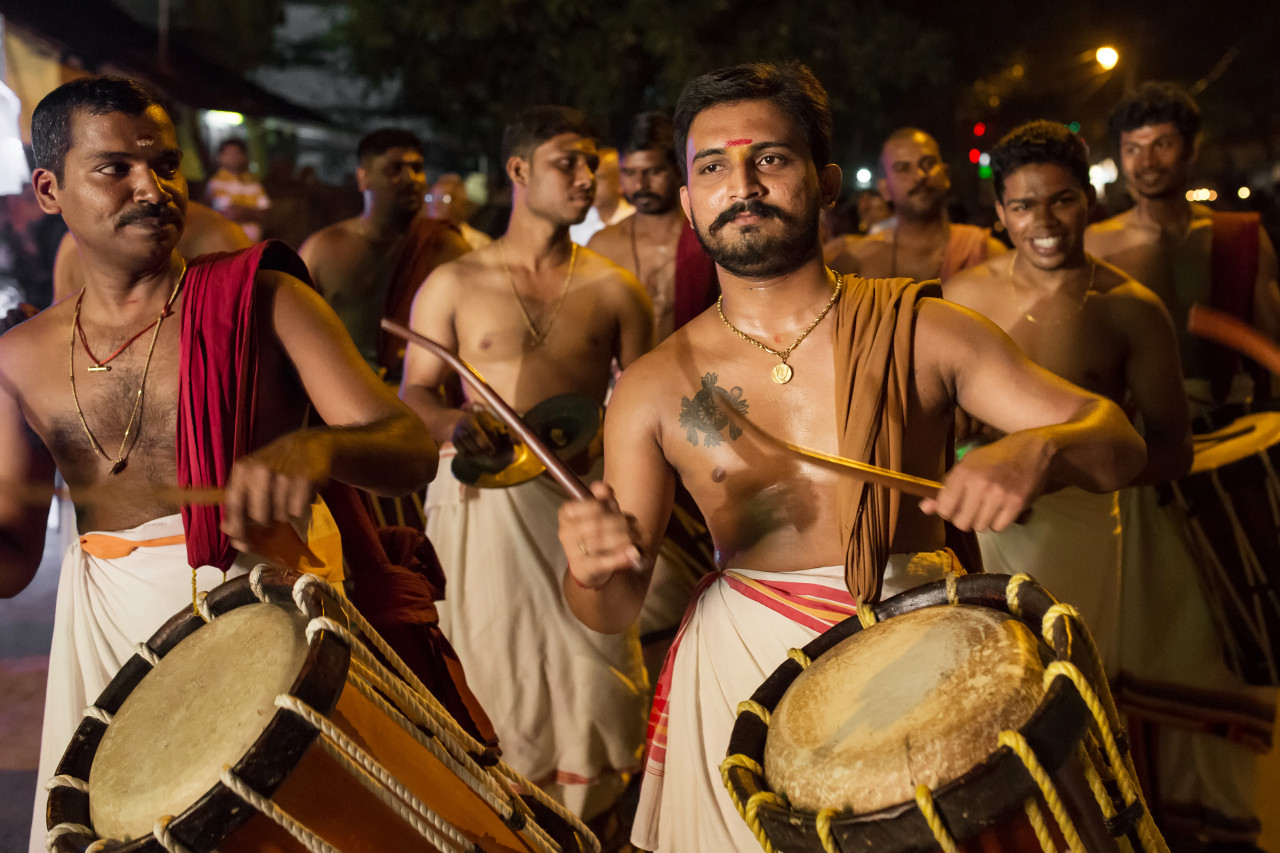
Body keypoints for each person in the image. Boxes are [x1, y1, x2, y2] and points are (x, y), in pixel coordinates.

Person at [555, 61, 1146, 852]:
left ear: (826, 180)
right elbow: (613, 609)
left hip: (921, 666)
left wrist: (1041, 448)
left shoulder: (924, 329)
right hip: (742, 683)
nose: (744, 185)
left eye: (770, 158)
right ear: (690, 198)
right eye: (713, 168)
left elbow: (1118, 443)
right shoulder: (656, 388)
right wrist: (592, 570)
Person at [1, 76, 449, 853]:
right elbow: (11, 558)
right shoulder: (19, 357)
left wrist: (321, 444)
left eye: (166, 165)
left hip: (262, 627)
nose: (153, 187)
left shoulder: (264, 299)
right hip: (110, 642)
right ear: (49, 188)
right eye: (116, 169)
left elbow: (408, 449)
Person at [400, 106, 655, 824]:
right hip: (485, 510)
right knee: (494, 669)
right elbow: (415, 392)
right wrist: (453, 420)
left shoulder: (614, 289)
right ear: (518, 171)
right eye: (567, 161)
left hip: (579, 507)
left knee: (595, 680)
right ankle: (507, 825)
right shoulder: (454, 283)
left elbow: (644, 403)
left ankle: (591, 824)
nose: (586, 176)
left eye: (591, 162)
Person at [1086, 82, 1280, 851]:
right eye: (1132, 148)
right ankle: (1157, 812)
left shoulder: (1238, 236)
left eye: (1161, 144)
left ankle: (1235, 813)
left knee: (1230, 633)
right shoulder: (1095, 245)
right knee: (1148, 633)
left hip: (1232, 449)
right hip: (1140, 460)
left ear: (1189, 149)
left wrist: (1238, 339)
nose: (1145, 161)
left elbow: (1272, 341)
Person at [943, 120, 1192, 676]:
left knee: (1075, 680)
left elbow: (1175, 450)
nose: (1045, 222)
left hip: (1085, 524)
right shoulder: (963, 297)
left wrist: (1058, 469)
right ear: (1002, 214)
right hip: (982, 523)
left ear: (1091, 201)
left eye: (1062, 200)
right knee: (988, 684)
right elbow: (941, 419)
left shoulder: (1132, 309)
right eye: (1025, 206)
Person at [299, 129, 470, 380]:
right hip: (341, 396)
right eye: (395, 169)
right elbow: (297, 334)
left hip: (417, 399)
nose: (411, 179)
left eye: (417, 168)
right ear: (363, 178)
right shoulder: (324, 249)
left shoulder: (446, 247)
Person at [588, 111, 717, 340]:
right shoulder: (602, 246)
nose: (640, 184)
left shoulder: (709, 240)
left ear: (678, 169)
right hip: (627, 374)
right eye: (629, 173)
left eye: (654, 171)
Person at [826, 128, 1006, 282]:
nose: (920, 176)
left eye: (928, 164)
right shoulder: (857, 260)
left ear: (946, 175)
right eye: (903, 168)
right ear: (884, 188)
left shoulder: (985, 252)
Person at [52, 199, 251, 303]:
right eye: (117, 169)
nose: (151, 191)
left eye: (167, 165)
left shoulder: (217, 234)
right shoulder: (72, 248)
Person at [204, 137, 270, 242]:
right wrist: (251, 212)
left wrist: (241, 211)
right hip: (222, 240)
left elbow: (264, 213)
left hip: (250, 243)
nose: (232, 157)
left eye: (236, 153)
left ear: (244, 156)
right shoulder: (214, 184)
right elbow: (219, 213)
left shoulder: (254, 184)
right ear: (220, 157)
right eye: (228, 154)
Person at [569, 146, 634, 245]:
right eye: (589, 176)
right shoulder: (576, 223)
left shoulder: (636, 222)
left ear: (621, 182)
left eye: (600, 177)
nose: (590, 184)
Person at [429, 172, 492, 250]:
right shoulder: (422, 240)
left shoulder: (480, 243)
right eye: (431, 197)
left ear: (459, 202)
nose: (435, 203)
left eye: (443, 198)